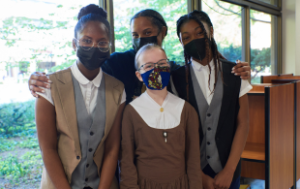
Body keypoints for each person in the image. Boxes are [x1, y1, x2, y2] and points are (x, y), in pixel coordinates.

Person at [28, 9, 251, 104]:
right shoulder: (117, 62)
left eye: (147, 34)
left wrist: (240, 71)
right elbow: (85, 70)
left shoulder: (172, 69)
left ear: (162, 33)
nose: (140, 40)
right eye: (135, 35)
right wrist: (41, 80)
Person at [35, 4, 125, 189]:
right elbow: (48, 148)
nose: (94, 47)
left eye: (102, 42)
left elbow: (112, 148)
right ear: (74, 44)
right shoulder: (49, 86)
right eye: (86, 41)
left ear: (109, 46)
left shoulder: (117, 89)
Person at [172, 10, 251, 189]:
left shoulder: (236, 72)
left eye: (200, 33)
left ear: (211, 32)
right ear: (180, 41)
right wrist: (197, 174)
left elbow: (243, 123)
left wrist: (229, 170)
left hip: (229, 170)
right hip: (190, 172)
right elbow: (177, 133)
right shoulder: (175, 78)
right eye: (186, 37)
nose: (194, 39)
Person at [120, 43, 202, 189]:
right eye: (149, 66)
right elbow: (127, 162)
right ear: (139, 75)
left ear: (168, 67)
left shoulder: (186, 110)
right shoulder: (131, 112)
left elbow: (193, 161)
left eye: (161, 64)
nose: (156, 70)